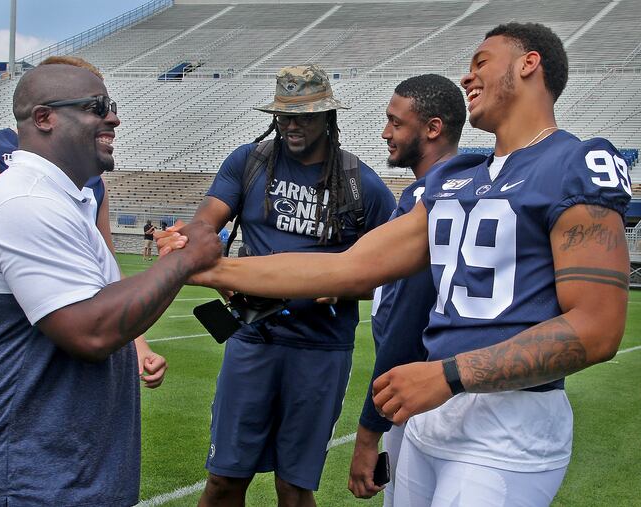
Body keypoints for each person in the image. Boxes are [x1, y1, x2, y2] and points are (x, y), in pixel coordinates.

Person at [174, 23, 631, 506]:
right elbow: (346, 268)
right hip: (430, 415)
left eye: (480, 63)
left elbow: (597, 329)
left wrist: (450, 374)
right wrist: (207, 269)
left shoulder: (575, 163)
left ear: (528, 64)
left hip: (508, 420)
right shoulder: (459, 178)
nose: (467, 76)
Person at [0, 62, 221, 505]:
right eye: (97, 107)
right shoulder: (24, 202)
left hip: (57, 470)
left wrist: (173, 266)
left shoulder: (62, 200)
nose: (113, 118)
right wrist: (185, 261)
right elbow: (89, 331)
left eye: (111, 105)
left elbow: (107, 308)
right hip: (26, 477)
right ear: (45, 118)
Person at [163, 65, 396, 506]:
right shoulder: (248, 162)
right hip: (252, 338)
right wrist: (186, 238)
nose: (292, 125)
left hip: (320, 349)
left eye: (304, 116)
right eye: (284, 115)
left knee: (293, 488)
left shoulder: (361, 183)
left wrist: (346, 288)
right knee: (224, 480)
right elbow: (205, 223)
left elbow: (392, 271)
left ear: (328, 116)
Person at [348, 74, 472, 505]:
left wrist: (367, 433)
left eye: (396, 123)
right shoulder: (450, 189)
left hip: (423, 393)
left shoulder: (434, 199)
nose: (385, 133)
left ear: (433, 128)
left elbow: (407, 319)